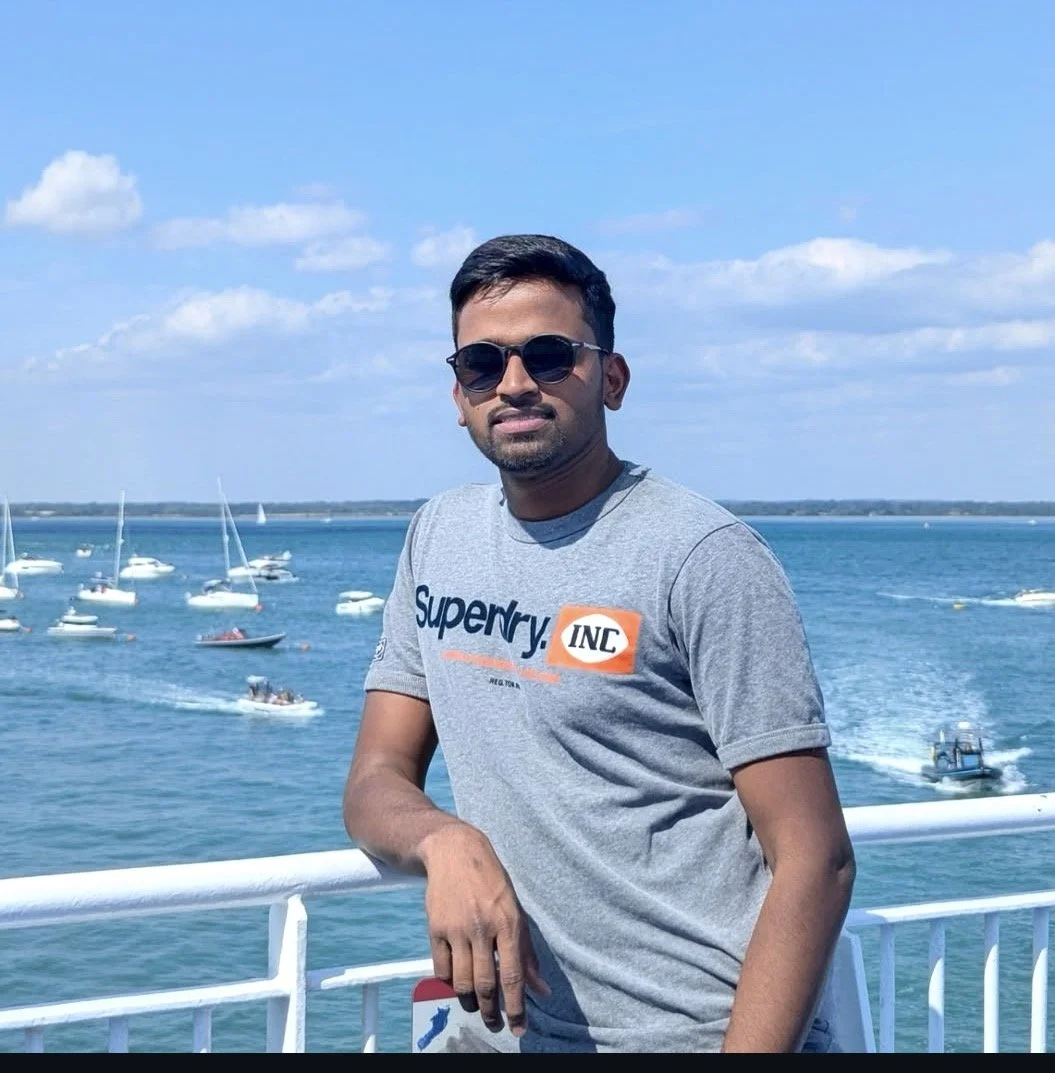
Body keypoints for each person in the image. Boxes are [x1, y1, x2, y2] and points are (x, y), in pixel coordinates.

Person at [343, 234, 856, 1053]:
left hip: (689, 1034)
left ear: (610, 379)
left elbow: (816, 859)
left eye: (549, 356)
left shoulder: (702, 555)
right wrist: (445, 839)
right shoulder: (435, 537)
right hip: (500, 1036)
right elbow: (374, 780)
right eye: (482, 363)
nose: (513, 383)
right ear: (457, 392)